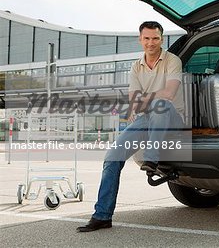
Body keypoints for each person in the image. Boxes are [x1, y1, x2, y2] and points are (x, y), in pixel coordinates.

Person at [77, 21, 184, 232]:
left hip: (172, 119)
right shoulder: (136, 67)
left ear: (162, 39)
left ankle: (150, 160)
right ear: (140, 39)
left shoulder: (173, 60)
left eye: (155, 38)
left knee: (160, 104)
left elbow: (169, 93)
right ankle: (102, 216)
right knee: (111, 158)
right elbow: (134, 101)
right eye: (146, 38)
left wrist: (146, 99)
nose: (151, 43)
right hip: (146, 120)